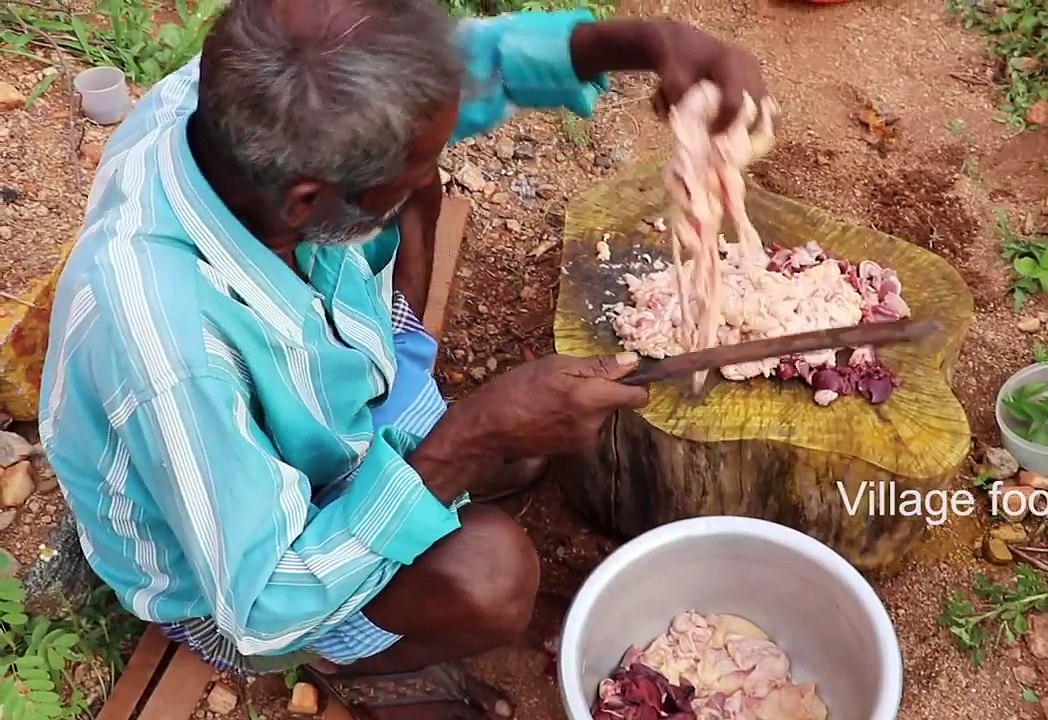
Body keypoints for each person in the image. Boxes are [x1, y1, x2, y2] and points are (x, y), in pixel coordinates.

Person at [37, 0, 770, 717]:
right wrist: (472, 438)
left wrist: (641, 42)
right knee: (492, 574)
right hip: (242, 584)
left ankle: (415, 452)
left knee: (421, 187)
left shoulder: (243, 107)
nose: (436, 151)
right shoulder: (169, 350)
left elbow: (453, 78)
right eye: (396, 169)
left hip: (321, 387)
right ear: (306, 203)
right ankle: (353, 666)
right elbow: (261, 604)